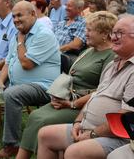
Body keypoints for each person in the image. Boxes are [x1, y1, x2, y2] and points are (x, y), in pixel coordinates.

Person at [16, 11, 117, 159]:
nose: (85, 34)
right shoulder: (89, 51)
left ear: (105, 34)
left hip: (82, 105)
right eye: (86, 29)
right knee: (35, 116)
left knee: (43, 121)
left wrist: (72, 104)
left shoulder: (111, 56)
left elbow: (102, 90)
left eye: (90, 30)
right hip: (65, 98)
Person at [0, 1, 61, 159]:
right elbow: (9, 62)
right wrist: (0, 82)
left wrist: (20, 41)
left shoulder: (43, 34)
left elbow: (26, 64)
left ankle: (12, 145)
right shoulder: (19, 34)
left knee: (12, 94)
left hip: (43, 86)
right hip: (17, 82)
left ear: (33, 14)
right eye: (14, 16)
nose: (16, 19)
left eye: (20, 15)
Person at [37, 16, 134, 159]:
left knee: (74, 152)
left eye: (119, 33)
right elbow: (95, 96)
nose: (113, 37)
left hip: (117, 137)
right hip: (88, 128)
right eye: (113, 33)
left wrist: (92, 133)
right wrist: (78, 122)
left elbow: (124, 118)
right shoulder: (112, 64)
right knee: (45, 135)